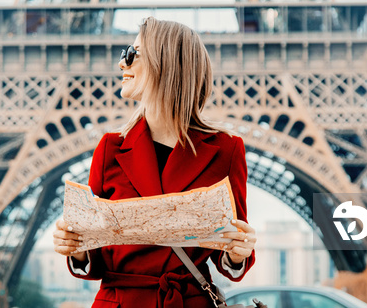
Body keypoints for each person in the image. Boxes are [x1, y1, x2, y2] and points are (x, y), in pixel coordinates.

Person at [53, 17, 256, 307]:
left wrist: (238, 253)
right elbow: (96, 260)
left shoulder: (226, 150)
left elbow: (228, 254)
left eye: (132, 54)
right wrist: (76, 249)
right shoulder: (110, 148)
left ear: (166, 63)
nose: (122, 63)